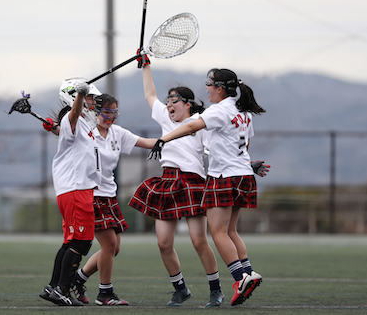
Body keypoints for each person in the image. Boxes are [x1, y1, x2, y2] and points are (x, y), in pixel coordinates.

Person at [147, 68, 269, 306]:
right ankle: (248, 272)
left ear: (220, 88)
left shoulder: (220, 110)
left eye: (209, 84)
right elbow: (245, 143)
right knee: (231, 231)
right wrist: (247, 163)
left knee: (218, 233)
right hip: (243, 174)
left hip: (224, 176)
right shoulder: (242, 111)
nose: (207, 88)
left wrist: (164, 139)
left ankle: (240, 278)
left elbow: (192, 127)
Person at [128, 58, 225, 307]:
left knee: (198, 240)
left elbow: (217, 151)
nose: (168, 104)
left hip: (193, 183)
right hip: (168, 182)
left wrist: (247, 164)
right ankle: (180, 289)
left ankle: (216, 290)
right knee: (163, 243)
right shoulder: (165, 118)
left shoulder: (201, 123)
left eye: (174, 101)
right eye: (168, 101)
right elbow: (150, 94)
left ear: (188, 104)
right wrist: (145, 65)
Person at [69, 93, 157, 306]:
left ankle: (77, 279)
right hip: (91, 194)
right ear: (95, 113)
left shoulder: (117, 133)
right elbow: (66, 124)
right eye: (106, 112)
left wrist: (179, 138)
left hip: (109, 196)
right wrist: (78, 98)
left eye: (114, 112)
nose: (111, 117)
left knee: (114, 248)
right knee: (109, 244)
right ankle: (104, 294)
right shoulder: (85, 130)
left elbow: (147, 142)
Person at [38, 78, 102, 307]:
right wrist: (81, 95)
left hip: (76, 189)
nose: (93, 103)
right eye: (90, 98)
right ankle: (63, 290)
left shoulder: (83, 123)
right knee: (82, 242)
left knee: (70, 242)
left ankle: (53, 287)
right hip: (76, 189)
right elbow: (72, 115)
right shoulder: (72, 117)